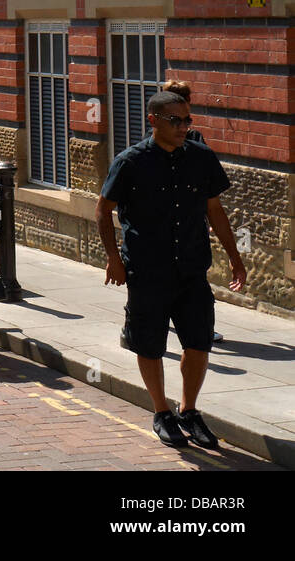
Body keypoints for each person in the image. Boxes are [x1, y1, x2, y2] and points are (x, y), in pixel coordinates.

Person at [97, 91, 245, 449]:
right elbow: (103, 210)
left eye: (187, 120)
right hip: (148, 271)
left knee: (198, 341)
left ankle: (189, 411)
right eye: (175, 120)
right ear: (153, 120)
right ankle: (162, 411)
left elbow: (215, 210)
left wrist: (235, 256)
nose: (183, 127)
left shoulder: (201, 158)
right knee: (149, 345)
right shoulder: (130, 162)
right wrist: (114, 258)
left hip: (192, 269)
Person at [161, 79, 224, 346]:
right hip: (177, 226)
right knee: (185, 280)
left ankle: (153, 324)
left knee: (178, 280)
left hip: (178, 225)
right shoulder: (191, 139)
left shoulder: (159, 136)